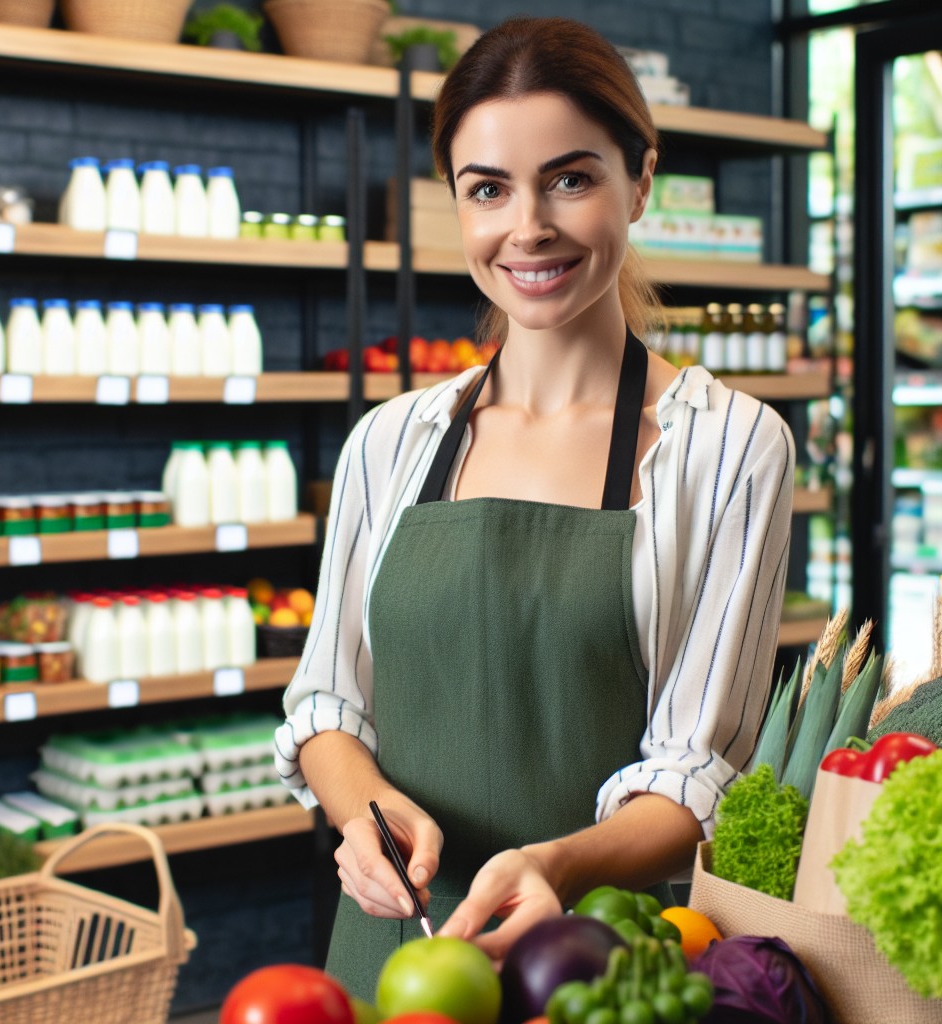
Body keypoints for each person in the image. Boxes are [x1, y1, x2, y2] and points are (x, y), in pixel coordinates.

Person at [274, 15, 795, 1002]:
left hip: (599, 961)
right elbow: (325, 704)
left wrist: (557, 865)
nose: (528, 227)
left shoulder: (730, 447)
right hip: (399, 954)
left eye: (570, 177)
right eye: (488, 189)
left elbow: (699, 772)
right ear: (458, 204)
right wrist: (362, 810)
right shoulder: (392, 442)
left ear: (639, 180)